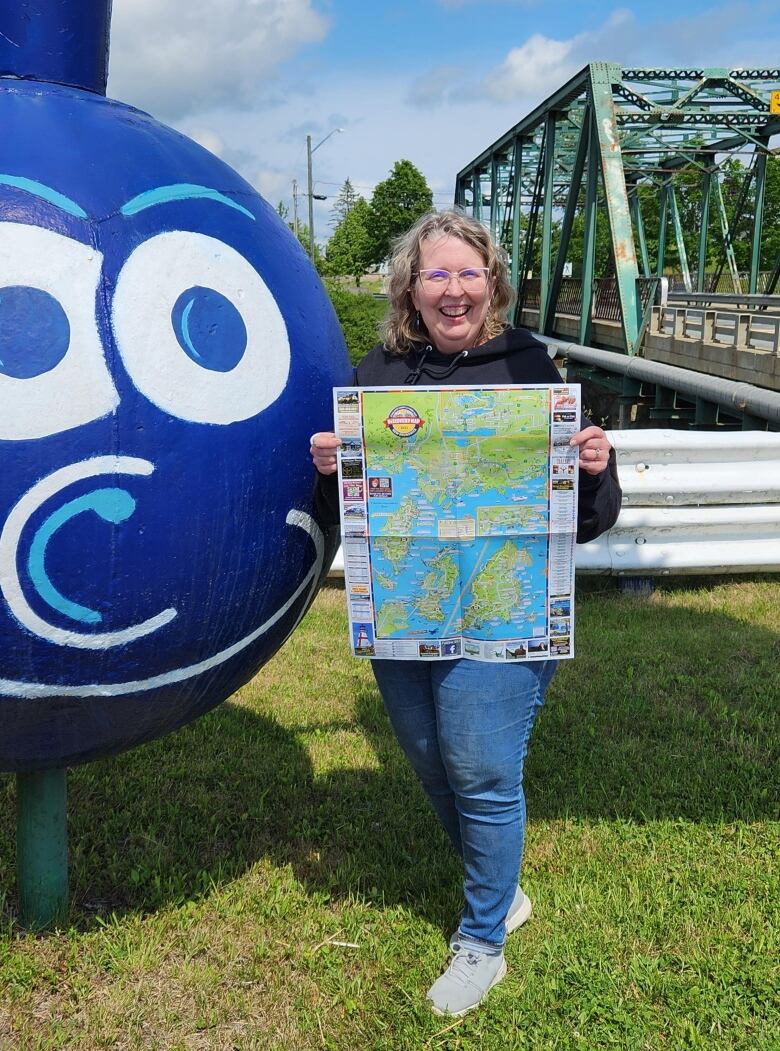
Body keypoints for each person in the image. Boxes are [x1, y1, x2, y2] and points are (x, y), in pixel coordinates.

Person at [311, 209, 621, 1017]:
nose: (454, 290)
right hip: (408, 609)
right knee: (430, 763)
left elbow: (586, 518)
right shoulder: (377, 371)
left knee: (481, 769)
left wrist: (593, 467)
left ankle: (483, 940)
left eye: (468, 273)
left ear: (493, 283)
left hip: (505, 612)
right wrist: (332, 464)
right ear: (411, 288)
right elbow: (350, 512)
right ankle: (504, 887)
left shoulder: (531, 367)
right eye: (436, 274)